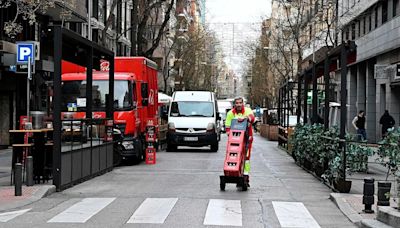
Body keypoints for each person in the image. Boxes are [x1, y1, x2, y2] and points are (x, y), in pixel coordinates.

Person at [225, 97, 255, 186]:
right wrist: (229, 134)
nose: (238, 105)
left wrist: (247, 118)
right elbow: (227, 127)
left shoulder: (247, 110)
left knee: (246, 158)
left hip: (247, 139)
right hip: (235, 140)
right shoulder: (230, 113)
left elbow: (252, 118)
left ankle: (245, 176)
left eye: (240, 103)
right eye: (237, 103)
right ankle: (236, 174)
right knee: (235, 157)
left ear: (243, 104)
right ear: (234, 104)